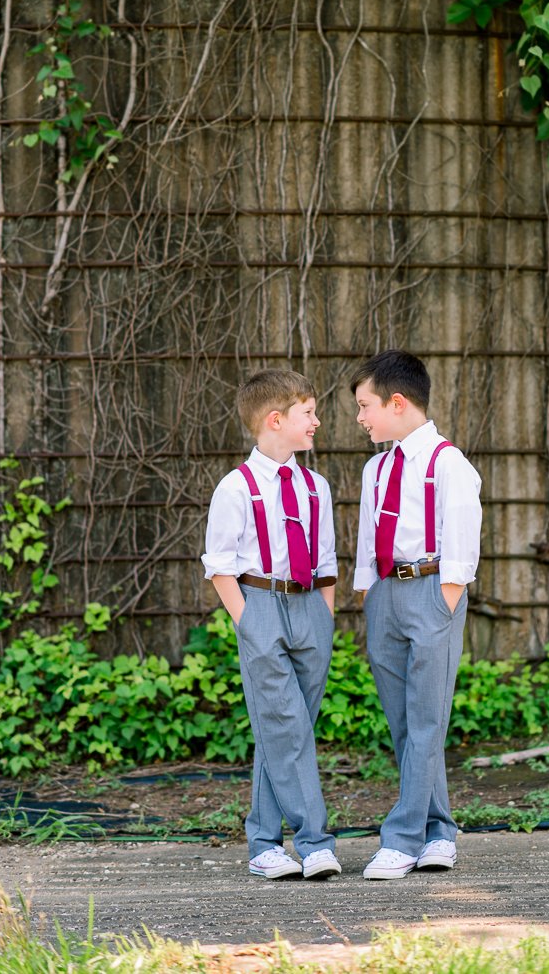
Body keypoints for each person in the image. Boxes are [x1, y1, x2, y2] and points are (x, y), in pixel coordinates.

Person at [202, 369, 341, 880]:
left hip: (309, 609)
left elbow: (326, 557)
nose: (317, 422)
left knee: (287, 728)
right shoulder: (235, 488)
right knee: (284, 723)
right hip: (260, 604)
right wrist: (250, 624)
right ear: (276, 420)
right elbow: (218, 565)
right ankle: (315, 841)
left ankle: (263, 843)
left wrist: (324, 616)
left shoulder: (315, 486)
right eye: (309, 413)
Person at [352, 349, 482, 880]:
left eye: (365, 406)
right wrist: (369, 597)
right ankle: (440, 831)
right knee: (405, 724)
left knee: (428, 720)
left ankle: (402, 838)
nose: (360, 418)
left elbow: (462, 547)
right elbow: (366, 541)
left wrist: (444, 603)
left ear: (397, 403)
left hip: (433, 592)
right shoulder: (376, 468)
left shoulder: (449, 464)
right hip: (386, 595)